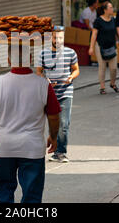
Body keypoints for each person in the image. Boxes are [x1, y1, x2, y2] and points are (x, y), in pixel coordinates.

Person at [0, 44, 60, 203]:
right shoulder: (43, 85)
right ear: (30, 59)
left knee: (3, 190)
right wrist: (53, 136)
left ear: (9, 60)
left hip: (5, 147)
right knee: (32, 195)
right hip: (33, 148)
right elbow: (53, 116)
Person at [36, 26, 80, 163]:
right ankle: (55, 150)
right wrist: (45, 79)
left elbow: (76, 70)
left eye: (61, 37)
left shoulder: (71, 53)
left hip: (66, 91)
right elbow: (38, 71)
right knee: (53, 123)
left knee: (64, 123)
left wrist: (71, 77)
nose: (58, 40)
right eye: (56, 37)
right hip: (50, 94)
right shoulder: (43, 54)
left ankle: (61, 152)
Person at [89, 2, 119, 95]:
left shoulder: (114, 19)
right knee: (102, 67)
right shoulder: (98, 21)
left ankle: (112, 83)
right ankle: (102, 87)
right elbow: (94, 34)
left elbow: (116, 32)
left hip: (112, 47)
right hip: (100, 47)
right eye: (110, 7)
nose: (112, 9)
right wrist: (91, 47)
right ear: (105, 10)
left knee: (114, 68)